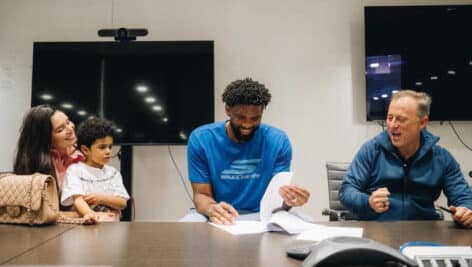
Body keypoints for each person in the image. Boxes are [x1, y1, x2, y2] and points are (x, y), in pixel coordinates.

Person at [339, 90, 472, 228]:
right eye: (390, 118)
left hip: (424, 233)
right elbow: (347, 191)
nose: (392, 125)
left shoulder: (441, 158)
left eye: (401, 119)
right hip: (377, 232)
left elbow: (463, 198)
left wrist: (466, 211)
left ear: (422, 122)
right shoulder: (371, 150)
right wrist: (368, 202)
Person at [186, 77, 310, 225]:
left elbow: (277, 200)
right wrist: (212, 209)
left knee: (306, 221)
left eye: (255, 118)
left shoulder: (278, 141)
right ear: (227, 110)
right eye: (241, 117)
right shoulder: (202, 139)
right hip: (219, 214)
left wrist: (290, 200)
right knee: (189, 224)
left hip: (262, 215)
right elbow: (201, 195)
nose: (247, 124)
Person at [61, 117, 129, 224]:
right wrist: (91, 215)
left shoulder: (113, 173)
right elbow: (78, 200)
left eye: (110, 147)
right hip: (85, 228)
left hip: (111, 229)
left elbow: (122, 203)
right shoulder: (75, 171)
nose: (108, 151)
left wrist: (100, 198)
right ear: (85, 150)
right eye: (102, 147)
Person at [14, 104, 84, 193]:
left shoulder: (82, 153)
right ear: (45, 138)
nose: (70, 128)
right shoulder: (39, 164)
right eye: (60, 129)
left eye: (68, 122)